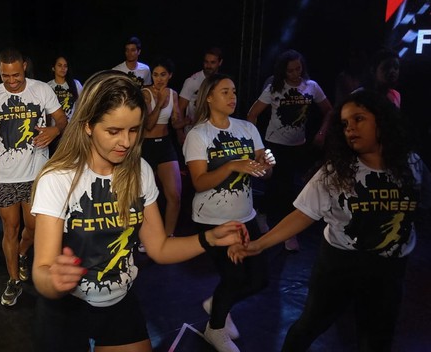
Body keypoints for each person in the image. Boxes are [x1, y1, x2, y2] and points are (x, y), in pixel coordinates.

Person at [30, 70, 249, 352]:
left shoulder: (139, 172)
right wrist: (54, 280)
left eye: (133, 129)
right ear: (87, 125)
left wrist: (209, 239)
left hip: (119, 302)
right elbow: (41, 270)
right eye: (113, 131)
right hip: (65, 310)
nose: (126, 142)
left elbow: (158, 248)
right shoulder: (58, 179)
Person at [230, 90, 430, 352]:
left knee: (377, 338)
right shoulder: (337, 172)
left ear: (382, 120)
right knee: (309, 325)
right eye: (346, 124)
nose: (351, 129)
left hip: (390, 269)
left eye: (359, 119)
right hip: (341, 265)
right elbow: (303, 214)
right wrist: (259, 245)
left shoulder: (412, 163)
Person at [183, 73, 276, 352]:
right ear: (209, 97)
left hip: (246, 216)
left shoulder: (248, 128)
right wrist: (231, 166)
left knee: (260, 279)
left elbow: (265, 172)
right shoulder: (198, 135)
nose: (232, 96)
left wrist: (267, 165)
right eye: (225, 92)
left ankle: (217, 305)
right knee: (234, 278)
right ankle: (216, 329)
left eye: (233, 91)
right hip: (212, 220)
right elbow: (199, 183)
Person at [0, 48, 67, 306]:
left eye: (16, 75)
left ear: (24, 67)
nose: (12, 81)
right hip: (3, 175)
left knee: (35, 226)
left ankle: (23, 253)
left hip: (36, 173)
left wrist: (53, 130)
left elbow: (62, 121)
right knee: (10, 228)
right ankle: (14, 280)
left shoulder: (41, 90)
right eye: (6, 76)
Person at [247, 49, 333, 251]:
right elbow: (252, 114)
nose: (295, 74)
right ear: (283, 72)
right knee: (281, 185)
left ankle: (263, 213)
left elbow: (329, 111)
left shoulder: (311, 86)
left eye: (298, 69)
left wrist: (322, 133)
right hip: (275, 143)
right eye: (291, 71)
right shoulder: (274, 88)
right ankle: (287, 233)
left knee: (286, 186)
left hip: (298, 144)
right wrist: (256, 144)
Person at [141, 58, 183, 238]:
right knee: (144, 197)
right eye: (156, 75)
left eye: (163, 75)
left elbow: (176, 122)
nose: (158, 79)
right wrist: (159, 102)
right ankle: (145, 237)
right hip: (146, 146)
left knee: (174, 195)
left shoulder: (173, 94)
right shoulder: (144, 93)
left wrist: (190, 119)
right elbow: (148, 125)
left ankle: (168, 236)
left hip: (165, 145)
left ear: (170, 76)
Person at [178, 47, 224, 143]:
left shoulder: (222, 82)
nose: (208, 66)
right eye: (206, 62)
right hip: (193, 131)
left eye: (212, 62)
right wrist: (179, 133)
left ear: (220, 62)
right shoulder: (192, 81)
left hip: (215, 131)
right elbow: (180, 108)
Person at [46, 55, 83, 155]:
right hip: (55, 131)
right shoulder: (48, 86)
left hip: (72, 131)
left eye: (65, 66)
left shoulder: (75, 84)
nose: (63, 68)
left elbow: (83, 105)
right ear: (53, 68)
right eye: (60, 65)